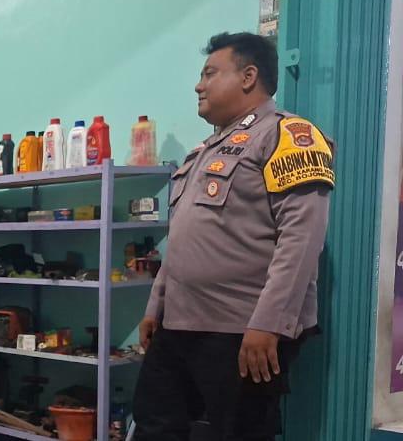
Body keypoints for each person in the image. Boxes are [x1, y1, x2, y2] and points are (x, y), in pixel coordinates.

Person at [133, 33, 334, 440]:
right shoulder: (204, 151)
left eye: (210, 73)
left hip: (242, 329)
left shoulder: (287, 136)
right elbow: (184, 238)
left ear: (248, 77)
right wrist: (157, 306)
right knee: (155, 424)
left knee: (241, 432)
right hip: (180, 323)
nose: (198, 85)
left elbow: (301, 239)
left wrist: (269, 324)